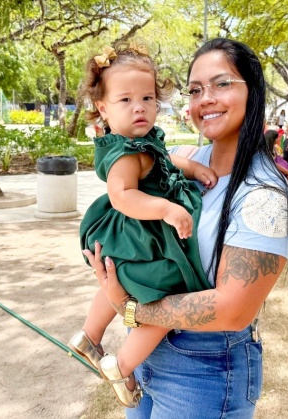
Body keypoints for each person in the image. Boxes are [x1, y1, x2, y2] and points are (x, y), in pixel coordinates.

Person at [84, 38, 288, 418]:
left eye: (222, 84)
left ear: (254, 91)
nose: (206, 99)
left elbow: (231, 309)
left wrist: (129, 307)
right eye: (196, 89)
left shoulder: (265, 195)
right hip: (149, 356)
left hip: (204, 374)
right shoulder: (183, 161)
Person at [69, 43, 219, 408]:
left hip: (138, 231)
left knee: (118, 278)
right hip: (140, 229)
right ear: (103, 108)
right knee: (163, 293)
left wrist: (194, 168)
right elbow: (121, 195)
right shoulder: (123, 153)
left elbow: (166, 162)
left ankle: (90, 335)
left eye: (147, 97)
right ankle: (122, 365)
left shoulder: (142, 141)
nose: (139, 107)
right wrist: (165, 208)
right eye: (125, 100)